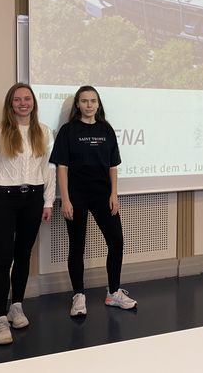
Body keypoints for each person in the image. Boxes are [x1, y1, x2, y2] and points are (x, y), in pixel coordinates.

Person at [0, 83, 55, 345]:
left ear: (33, 103)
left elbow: (49, 169)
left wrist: (48, 201)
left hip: (32, 198)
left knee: (23, 256)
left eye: (27, 99)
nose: (23, 103)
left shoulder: (43, 132)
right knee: (3, 258)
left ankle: (16, 306)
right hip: (3, 200)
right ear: (10, 104)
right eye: (17, 99)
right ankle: (0, 319)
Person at [50, 85, 137, 316]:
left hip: (103, 195)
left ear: (98, 105)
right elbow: (62, 167)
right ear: (77, 104)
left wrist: (114, 194)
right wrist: (65, 200)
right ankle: (79, 296)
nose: (89, 105)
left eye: (93, 101)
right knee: (77, 246)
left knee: (116, 241)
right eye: (84, 101)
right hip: (76, 196)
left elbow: (112, 166)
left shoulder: (106, 129)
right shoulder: (68, 131)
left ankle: (114, 292)